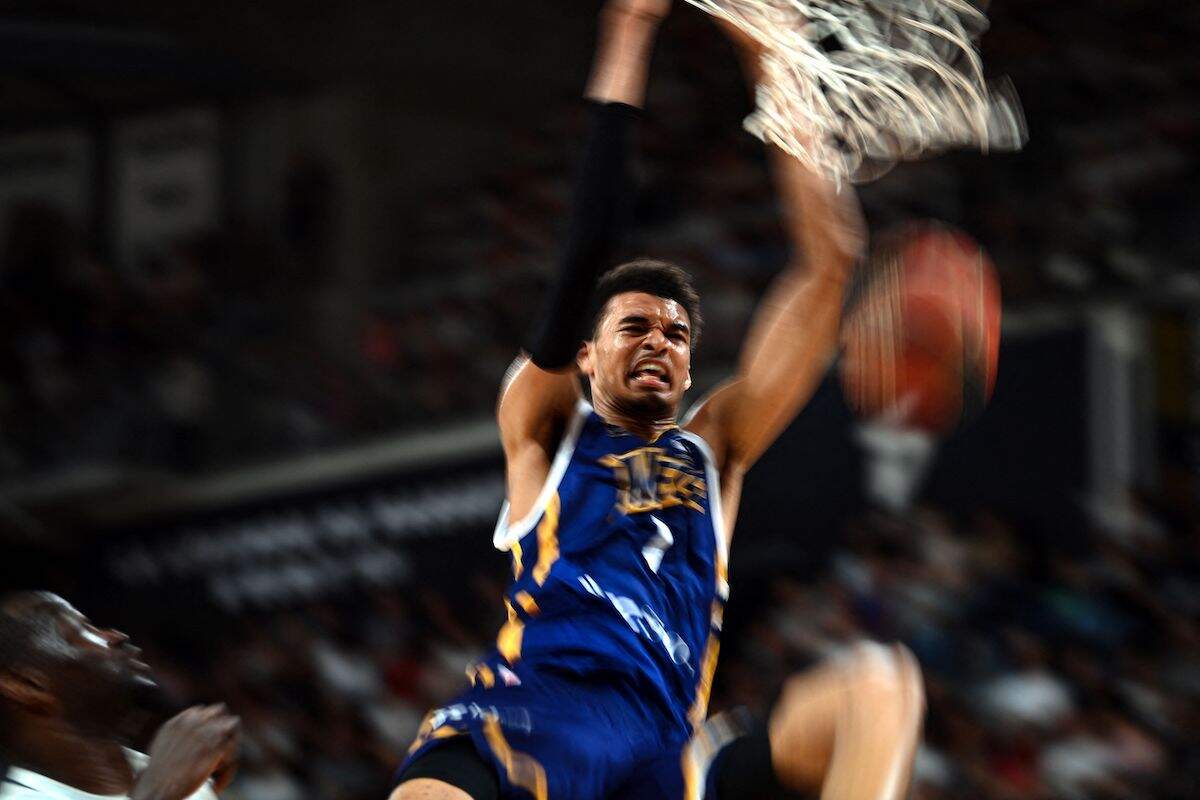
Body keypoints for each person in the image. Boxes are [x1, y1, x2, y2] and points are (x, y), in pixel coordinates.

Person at [392, 2, 924, 798]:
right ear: (584, 352)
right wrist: (630, 29)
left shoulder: (716, 450)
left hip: (657, 760)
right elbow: (588, 249)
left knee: (881, 688)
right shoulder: (544, 429)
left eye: (676, 334)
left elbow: (829, 266)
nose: (658, 341)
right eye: (633, 325)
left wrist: (776, 64)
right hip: (532, 721)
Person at [0, 591, 240, 800]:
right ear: (28, 685)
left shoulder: (164, 770)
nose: (115, 635)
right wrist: (160, 792)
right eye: (81, 630)